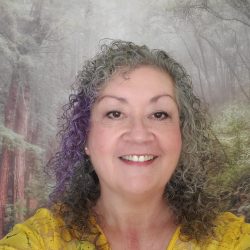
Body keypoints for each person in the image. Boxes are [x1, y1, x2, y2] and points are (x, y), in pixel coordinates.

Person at [0, 40, 249, 249]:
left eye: (159, 114)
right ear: (84, 137)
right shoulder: (38, 241)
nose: (139, 135)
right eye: (115, 114)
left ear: (182, 134)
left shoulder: (233, 240)